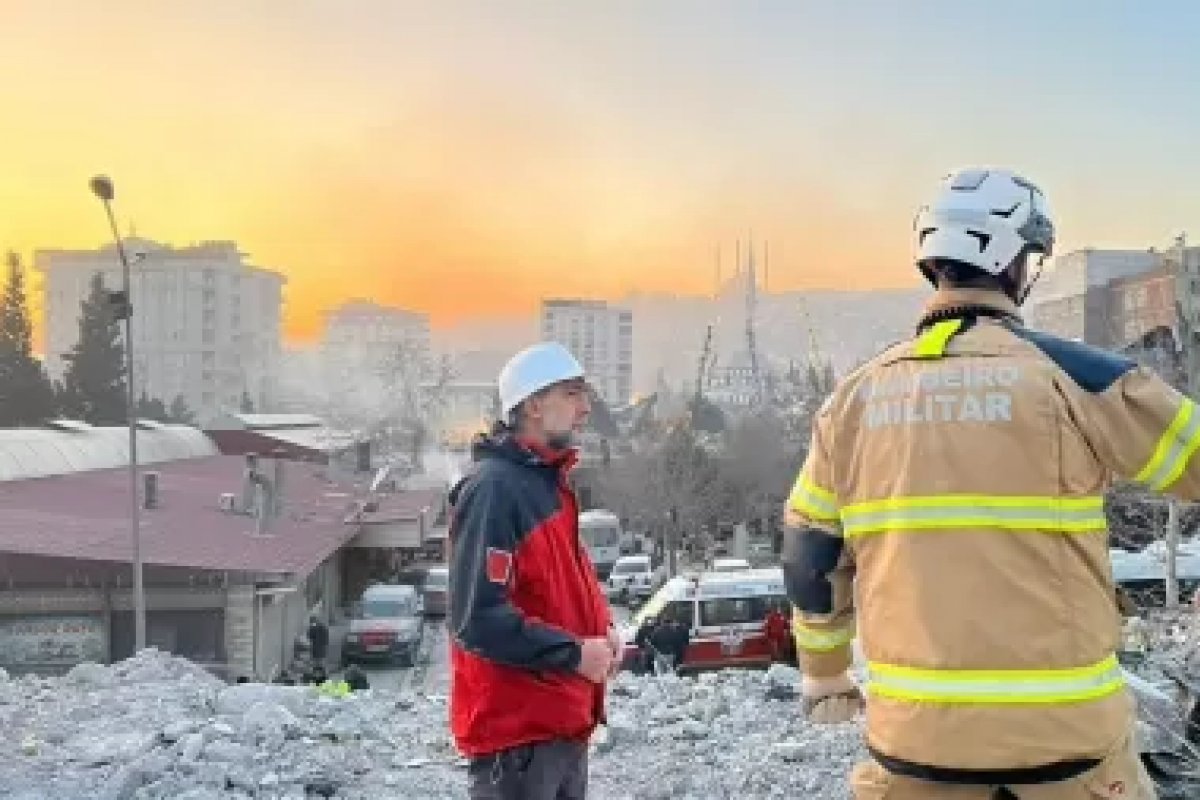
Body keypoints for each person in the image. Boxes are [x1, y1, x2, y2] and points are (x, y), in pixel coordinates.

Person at [781, 167, 1191, 799]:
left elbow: (810, 555)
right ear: (1016, 264)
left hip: (913, 753)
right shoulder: (1076, 378)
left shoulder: (852, 401)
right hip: (1066, 751)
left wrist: (825, 674)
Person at [448, 342, 619, 800]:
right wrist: (574, 653)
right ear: (534, 405)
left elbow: (554, 585)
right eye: (573, 393)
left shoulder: (546, 484)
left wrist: (601, 635)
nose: (586, 407)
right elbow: (477, 619)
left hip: (561, 721)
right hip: (518, 735)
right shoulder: (494, 491)